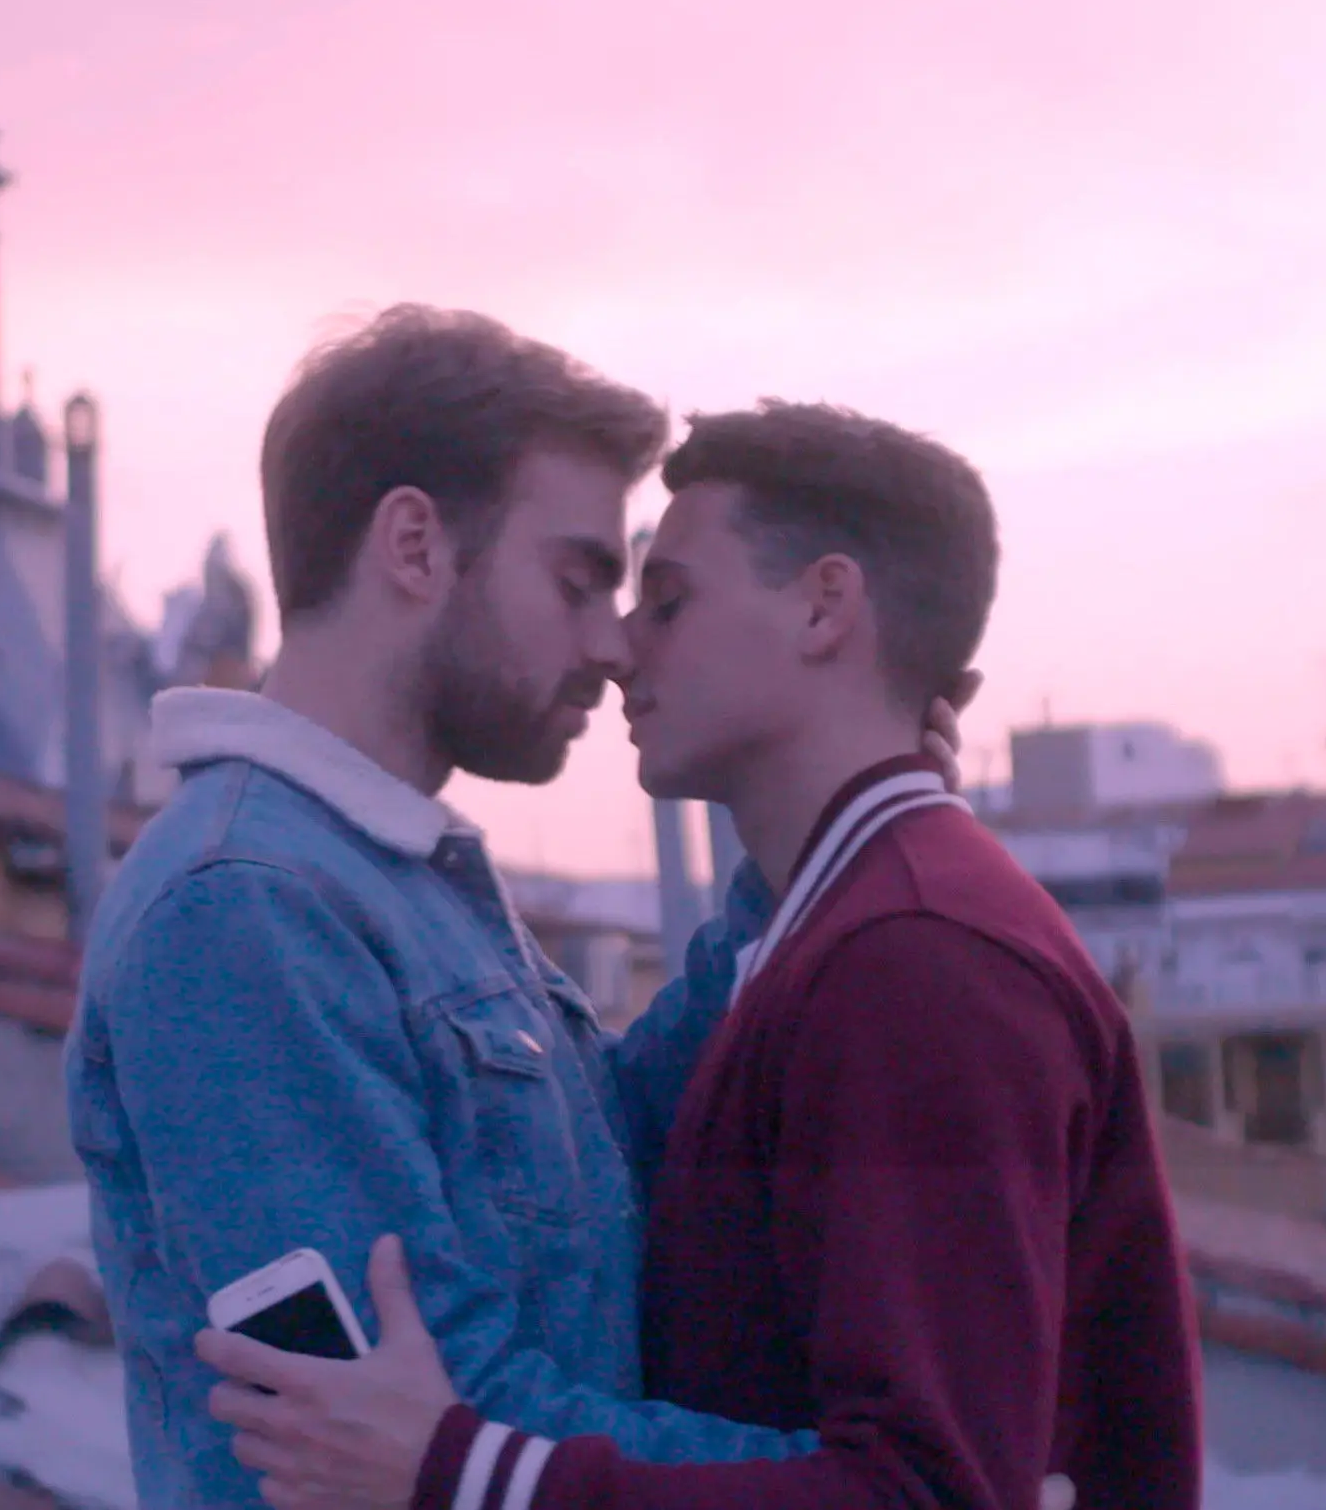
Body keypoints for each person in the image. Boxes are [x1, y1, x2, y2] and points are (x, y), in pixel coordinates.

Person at [200, 402, 1204, 1510]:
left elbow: (927, 1491)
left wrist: (469, 1473)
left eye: (667, 601)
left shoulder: (919, 959)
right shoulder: (851, 930)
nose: (621, 644)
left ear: (825, 607)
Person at [64, 309, 966, 1509]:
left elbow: (617, 1173)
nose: (613, 645)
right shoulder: (245, 914)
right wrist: (890, 1489)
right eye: (579, 579)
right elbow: (435, 1418)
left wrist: (805, 865)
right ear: (415, 546)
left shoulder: (387, 872)